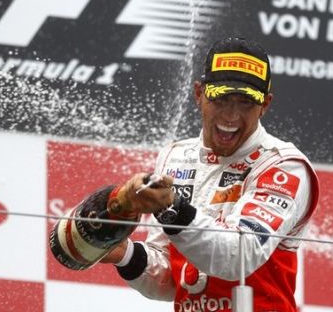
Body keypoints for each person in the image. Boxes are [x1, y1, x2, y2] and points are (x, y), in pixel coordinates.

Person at [101, 37, 320, 311]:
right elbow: (171, 280)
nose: (231, 116)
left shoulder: (283, 166)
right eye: (221, 98)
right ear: (198, 94)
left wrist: (172, 209)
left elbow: (238, 257)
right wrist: (124, 254)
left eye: (246, 103)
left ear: (265, 105)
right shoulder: (175, 156)